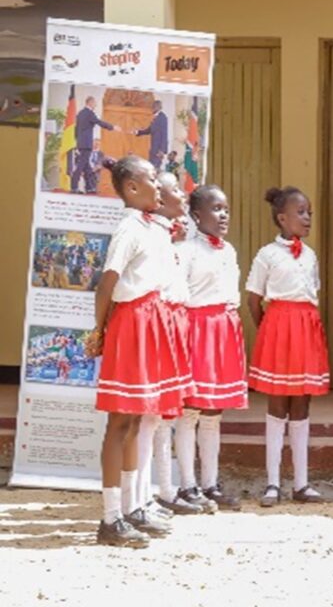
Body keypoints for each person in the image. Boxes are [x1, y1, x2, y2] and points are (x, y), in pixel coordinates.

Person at [88, 155, 190, 547]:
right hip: (131, 323)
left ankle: (131, 508)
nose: (160, 188)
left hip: (150, 321)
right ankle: (110, 518)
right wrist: (99, 330)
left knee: (134, 419)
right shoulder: (128, 229)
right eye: (152, 181)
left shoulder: (153, 228)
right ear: (132, 189)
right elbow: (106, 283)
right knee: (120, 422)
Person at [246, 186, 329, 506]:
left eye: (309, 212)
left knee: (302, 405)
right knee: (277, 405)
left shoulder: (310, 255)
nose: (307, 218)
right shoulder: (267, 255)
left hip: (306, 330)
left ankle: (302, 483)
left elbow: (312, 294)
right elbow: (254, 300)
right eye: (301, 212)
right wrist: (269, 332)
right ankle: (272, 482)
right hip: (279, 330)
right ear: (282, 218)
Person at [137, 173, 210, 518]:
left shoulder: (175, 238)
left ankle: (168, 489)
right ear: (159, 198)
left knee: (169, 411)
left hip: (177, 323)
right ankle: (160, 491)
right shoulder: (149, 233)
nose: (183, 193)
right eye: (175, 189)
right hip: (159, 324)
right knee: (159, 416)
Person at [175, 184, 249, 512]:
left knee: (213, 413)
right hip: (196, 330)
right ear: (196, 215)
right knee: (190, 411)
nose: (223, 216)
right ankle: (187, 485)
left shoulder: (228, 251)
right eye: (216, 209)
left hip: (223, 329)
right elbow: (178, 296)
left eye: (226, 209)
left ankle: (211, 483)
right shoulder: (186, 251)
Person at [72, 96, 121, 194]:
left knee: (87, 168)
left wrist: (77, 143)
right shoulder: (90, 113)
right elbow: (99, 122)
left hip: (81, 143)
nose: (95, 105)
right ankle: (74, 187)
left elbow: (76, 130)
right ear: (90, 103)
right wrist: (112, 127)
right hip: (86, 144)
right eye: (94, 103)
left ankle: (90, 187)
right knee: (81, 166)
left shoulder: (80, 113)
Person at [134, 100, 170, 169]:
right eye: (152, 107)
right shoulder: (155, 117)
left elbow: (164, 134)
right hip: (153, 148)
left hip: (158, 150)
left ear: (158, 107)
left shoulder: (162, 117)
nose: (152, 108)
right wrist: (138, 132)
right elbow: (150, 130)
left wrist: (162, 150)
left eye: (153, 107)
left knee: (154, 168)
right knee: (151, 167)